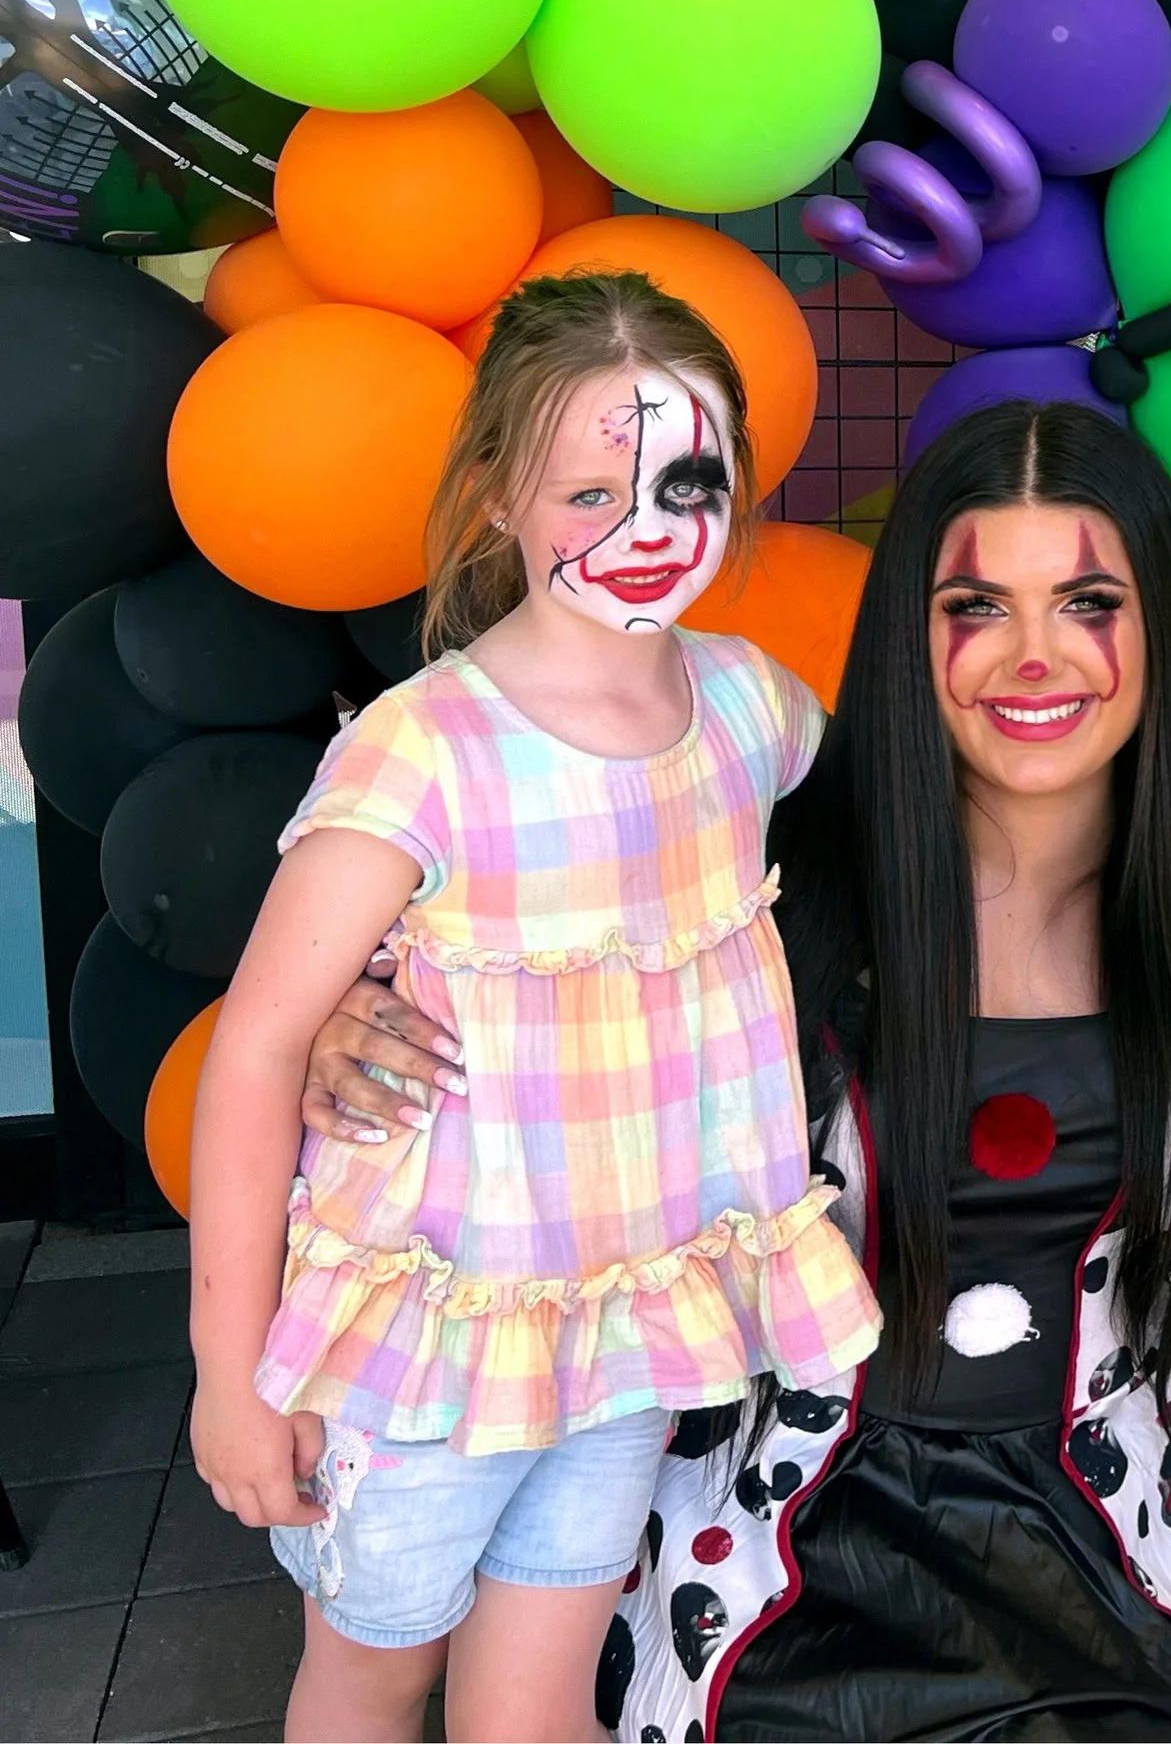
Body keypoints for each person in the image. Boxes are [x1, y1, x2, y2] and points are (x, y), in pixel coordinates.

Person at [301, 400, 1171, 1742]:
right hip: (789, 1521)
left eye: (1091, 600)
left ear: (1160, 624)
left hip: (1126, 1515)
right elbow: (503, 963)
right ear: (905, 635)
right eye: (975, 605)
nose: (1034, 657)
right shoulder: (756, 868)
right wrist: (348, 1012)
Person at [188, 272, 880, 1744]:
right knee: (374, 1674)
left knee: (540, 1694)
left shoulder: (755, 707)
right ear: (500, 495)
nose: (646, 529)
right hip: (433, 1336)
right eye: (590, 489)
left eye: (687, 481)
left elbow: (902, 828)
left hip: (627, 1321)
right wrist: (224, 1374)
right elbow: (256, 1044)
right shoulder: (424, 747)